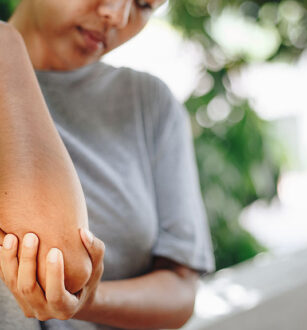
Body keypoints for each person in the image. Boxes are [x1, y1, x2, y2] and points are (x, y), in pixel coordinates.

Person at [0, 0, 215, 329]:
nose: (117, 16)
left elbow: (182, 290)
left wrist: (89, 300)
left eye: (145, 5)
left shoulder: (148, 104)